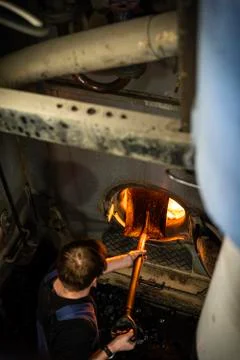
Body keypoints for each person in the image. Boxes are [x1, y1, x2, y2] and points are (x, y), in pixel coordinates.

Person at [37, 239, 146, 360]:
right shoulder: (76, 331)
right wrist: (113, 347)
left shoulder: (60, 269)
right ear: (94, 282)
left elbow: (85, 267)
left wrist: (127, 259)